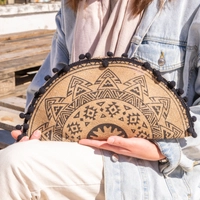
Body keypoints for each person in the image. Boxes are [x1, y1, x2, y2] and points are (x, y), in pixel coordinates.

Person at [0, 0, 200, 199]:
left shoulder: (189, 7)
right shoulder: (74, 7)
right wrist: (34, 132)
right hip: (78, 148)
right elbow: (44, 92)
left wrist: (164, 147)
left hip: (162, 168)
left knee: (15, 166)